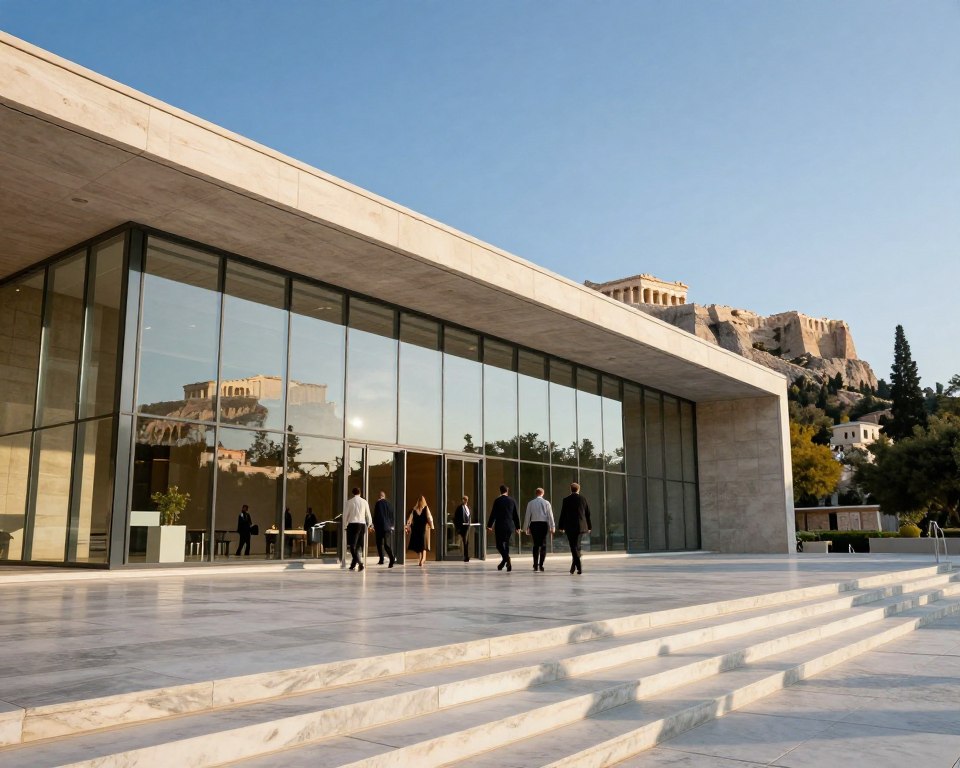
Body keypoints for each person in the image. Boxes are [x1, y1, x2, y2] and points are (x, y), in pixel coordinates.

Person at [557, 482, 592, 575]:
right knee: (577, 547)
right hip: (581, 526)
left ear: (570, 489)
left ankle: (578, 567)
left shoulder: (566, 500)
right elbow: (587, 514)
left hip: (570, 527)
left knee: (573, 547)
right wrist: (589, 526)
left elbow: (563, 514)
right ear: (578, 489)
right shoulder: (583, 499)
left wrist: (561, 526)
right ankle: (573, 566)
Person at [486, 485, 520, 572]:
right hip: (509, 526)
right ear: (507, 491)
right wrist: (518, 527)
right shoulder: (512, 500)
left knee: (499, 545)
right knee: (506, 544)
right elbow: (515, 515)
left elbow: (493, 514)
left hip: (500, 525)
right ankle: (505, 564)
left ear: (500, 491)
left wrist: (489, 525)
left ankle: (507, 559)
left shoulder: (497, 501)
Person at [523, 487, 555, 572]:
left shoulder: (530, 503)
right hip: (543, 524)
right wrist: (552, 526)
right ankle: (541, 565)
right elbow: (550, 515)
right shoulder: (546, 503)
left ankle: (535, 565)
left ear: (536, 493)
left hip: (534, 524)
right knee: (543, 544)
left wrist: (526, 527)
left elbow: (527, 516)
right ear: (543, 493)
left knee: (536, 544)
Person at [342, 487, 373, 571]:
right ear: (360, 493)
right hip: (362, 525)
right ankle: (353, 564)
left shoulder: (349, 502)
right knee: (358, 545)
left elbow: (345, 515)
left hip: (353, 524)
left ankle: (359, 562)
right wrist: (369, 525)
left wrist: (345, 525)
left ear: (353, 493)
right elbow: (368, 515)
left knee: (352, 545)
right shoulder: (364, 502)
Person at [405, 495, 434, 567]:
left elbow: (410, 520)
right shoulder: (425, 508)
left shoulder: (414, 510)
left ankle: (421, 559)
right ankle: (422, 559)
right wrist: (431, 526)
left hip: (416, 529)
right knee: (423, 544)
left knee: (420, 545)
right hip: (423, 529)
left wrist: (407, 526)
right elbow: (429, 518)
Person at [372, 491, 396, 567]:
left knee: (379, 544)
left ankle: (381, 559)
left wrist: (373, 525)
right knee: (386, 544)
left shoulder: (378, 503)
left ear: (379, 496)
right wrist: (392, 525)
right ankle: (391, 558)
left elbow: (376, 516)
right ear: (384, 496)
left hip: (379, 527)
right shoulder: (389, 504)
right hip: (388, 527)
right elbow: (392, 515)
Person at [452, 494, 472, 562]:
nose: (464, 501)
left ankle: (466, 556)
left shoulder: (468, 507)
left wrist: (469, 523)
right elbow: (456, 518)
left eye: (465, 500)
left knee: (466, 541)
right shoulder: (459, 508)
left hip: (467, 526)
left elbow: (469, 516)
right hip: (462, 526)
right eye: (463, 499)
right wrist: (458, 527)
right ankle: (466, 556)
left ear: (467, 500)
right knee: (465, 541)